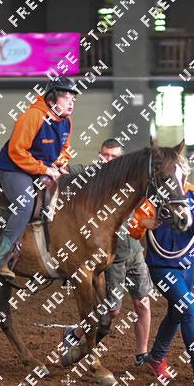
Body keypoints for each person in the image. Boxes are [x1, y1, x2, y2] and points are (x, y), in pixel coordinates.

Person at [128, 161, 194, 386]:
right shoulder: (153, 198)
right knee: (187, 308)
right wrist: (143, 223)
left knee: (176, 312)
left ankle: (156, 357)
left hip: (187, 266)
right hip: (162, 267)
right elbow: (133, 229)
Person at [62, 139, 153, 367]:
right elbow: (68, 169)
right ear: (99, 155)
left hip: (134, 250)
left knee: (143, 302)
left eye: (113, 157)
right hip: (109, 256)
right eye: (105, 155)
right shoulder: (91, 176)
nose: (108, 160)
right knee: (111, 310)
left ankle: (141, 354)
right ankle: (74, 334)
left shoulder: (130, 180)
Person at [0, 76, 78, 281]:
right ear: (52, 98)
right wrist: (44, 169)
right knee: (25, 204)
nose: (71, 103)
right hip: (14, 168)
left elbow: (64, 150)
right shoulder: (32, 116)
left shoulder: (67, 122)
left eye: (73, 99)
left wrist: (60, 164)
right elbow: (17, 151)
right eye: (66, 98)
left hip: (41, 169)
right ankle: (0, 259)